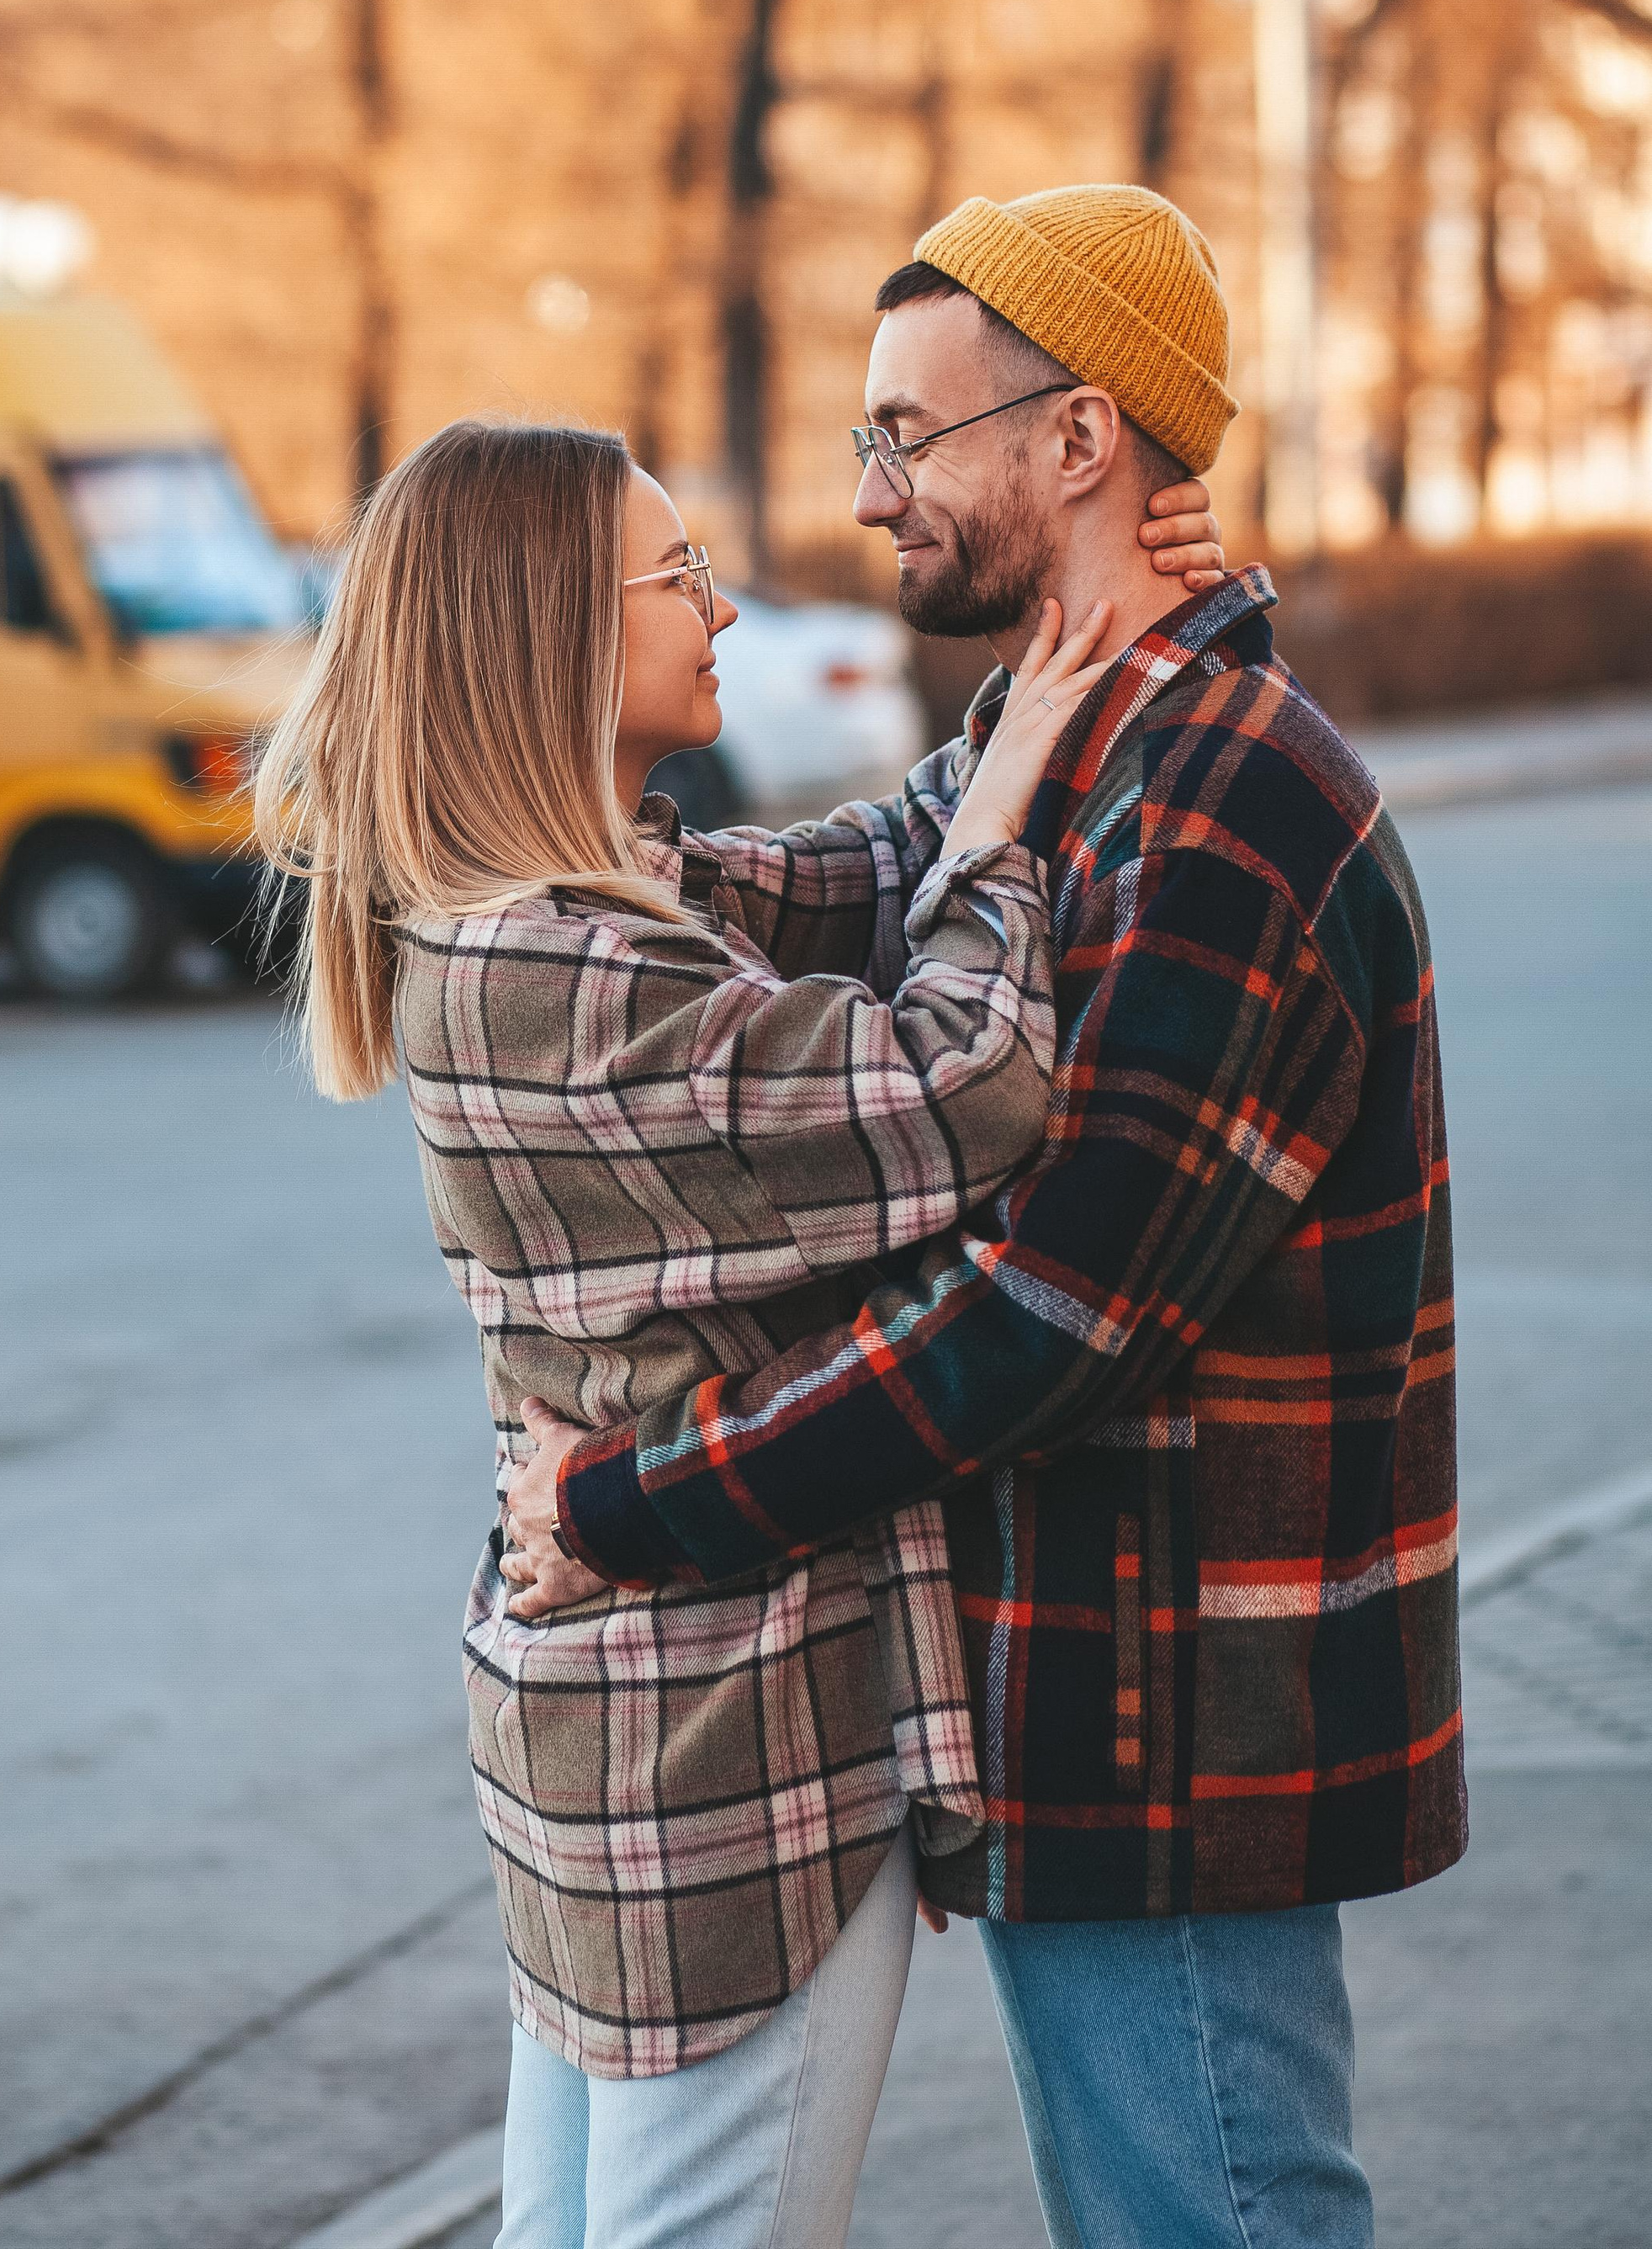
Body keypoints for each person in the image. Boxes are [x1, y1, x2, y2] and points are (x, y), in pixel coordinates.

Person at [508, 184, 1466, 2249]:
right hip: (1079, 1678)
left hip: (1171, 1699)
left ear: (1074, 441)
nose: (868, 499)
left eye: (903, 435)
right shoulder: (1081, 741)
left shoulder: (1219, 800)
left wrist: (634, 1502)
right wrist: (500, 816)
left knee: (1214, 2214)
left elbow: (1040, 1312)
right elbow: (850, 886)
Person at [254, 409, 1228, 2249]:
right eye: (673, 571)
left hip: (611, 1715)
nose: (716, 605)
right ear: (545, 629)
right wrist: (1013, 824)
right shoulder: (572, 970)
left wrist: (1034, 681)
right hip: (724, 1728)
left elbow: (852, 878)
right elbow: (961, 1083)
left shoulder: (565, 910)